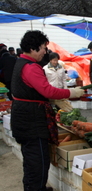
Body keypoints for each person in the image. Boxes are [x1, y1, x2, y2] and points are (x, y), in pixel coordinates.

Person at [10, 30, 84, 191]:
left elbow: (32, 90)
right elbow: (47, 91)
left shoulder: (21, 62)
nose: (45, 51)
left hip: (24, 118)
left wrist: (52, 99)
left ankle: (36, 187)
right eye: (43, 47)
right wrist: (71, 93)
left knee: (32, 160)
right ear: (33, 48)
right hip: (32, 122)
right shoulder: (30, 67)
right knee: (38, 161)